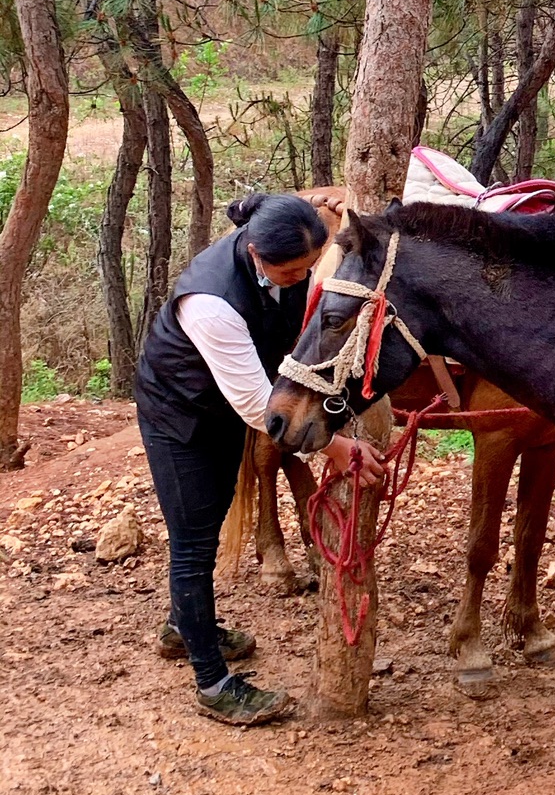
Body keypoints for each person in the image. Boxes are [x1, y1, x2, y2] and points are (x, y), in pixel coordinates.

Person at [134, 192, 378, 725]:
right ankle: (213, 683)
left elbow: (320, 220)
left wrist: (340, 203)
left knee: (214, 509)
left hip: (217, 410)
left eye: (307, 268)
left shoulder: (281, 241)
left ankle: (183, 628)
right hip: (182, 418)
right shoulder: (212, 303)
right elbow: (252, 403)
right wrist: (335, 447)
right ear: (255, 255)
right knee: (194, 544)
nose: (300, 278)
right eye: (290, 272)